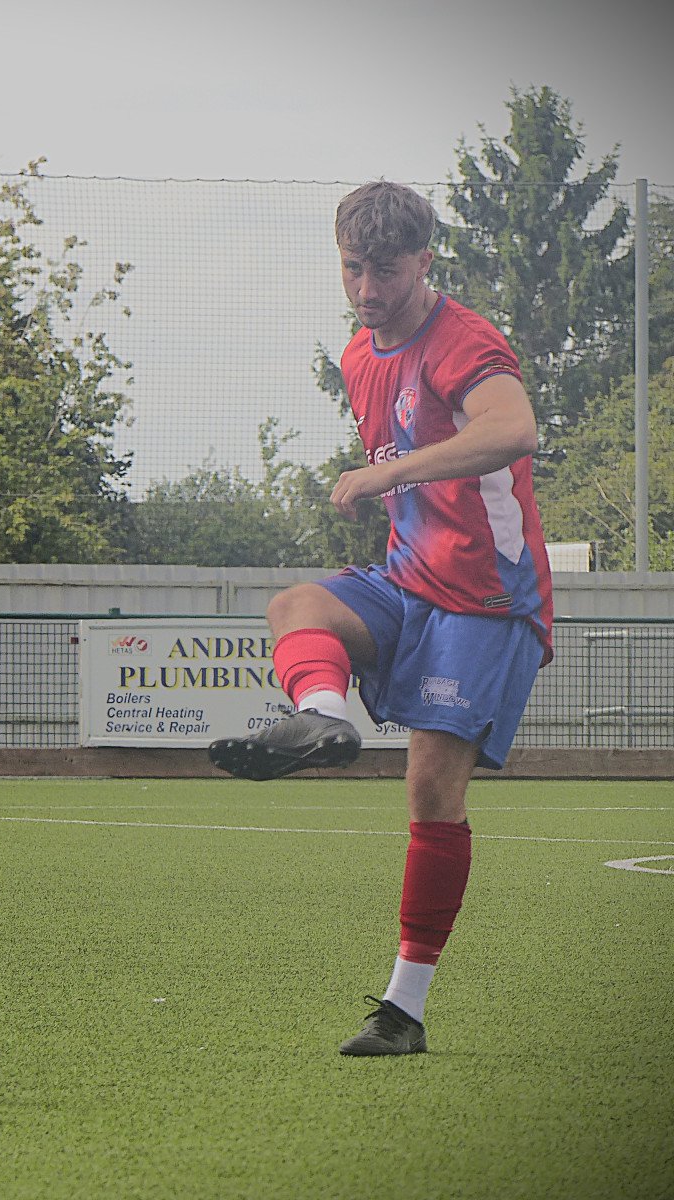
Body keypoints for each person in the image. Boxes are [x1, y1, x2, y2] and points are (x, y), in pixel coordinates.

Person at [208, 181, 553, 1056]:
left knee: (431, 792)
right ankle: (323, 718)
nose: (367, 289)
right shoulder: (359, 355)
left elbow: (515, 430)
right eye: (353, 268)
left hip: (486, 598)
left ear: (424, 262)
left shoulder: (465, 340)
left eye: (387, 271)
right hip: (407, 580)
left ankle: (403, 1010)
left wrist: (389, 474)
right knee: (296, 607)